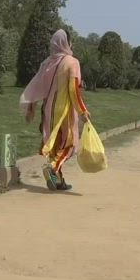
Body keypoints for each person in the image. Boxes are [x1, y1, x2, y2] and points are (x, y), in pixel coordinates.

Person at [20, 30, 90, 191]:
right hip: (64, 110)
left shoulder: (47, 63)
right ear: (66, 43)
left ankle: (58, 181)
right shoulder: (72, 62)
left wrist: (31, 107)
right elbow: (73, 90)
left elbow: (37, 85)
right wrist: (82, 111)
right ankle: (52, 168)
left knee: (55, 145)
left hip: (48, 110)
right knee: (70, 144)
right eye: (70, 41)